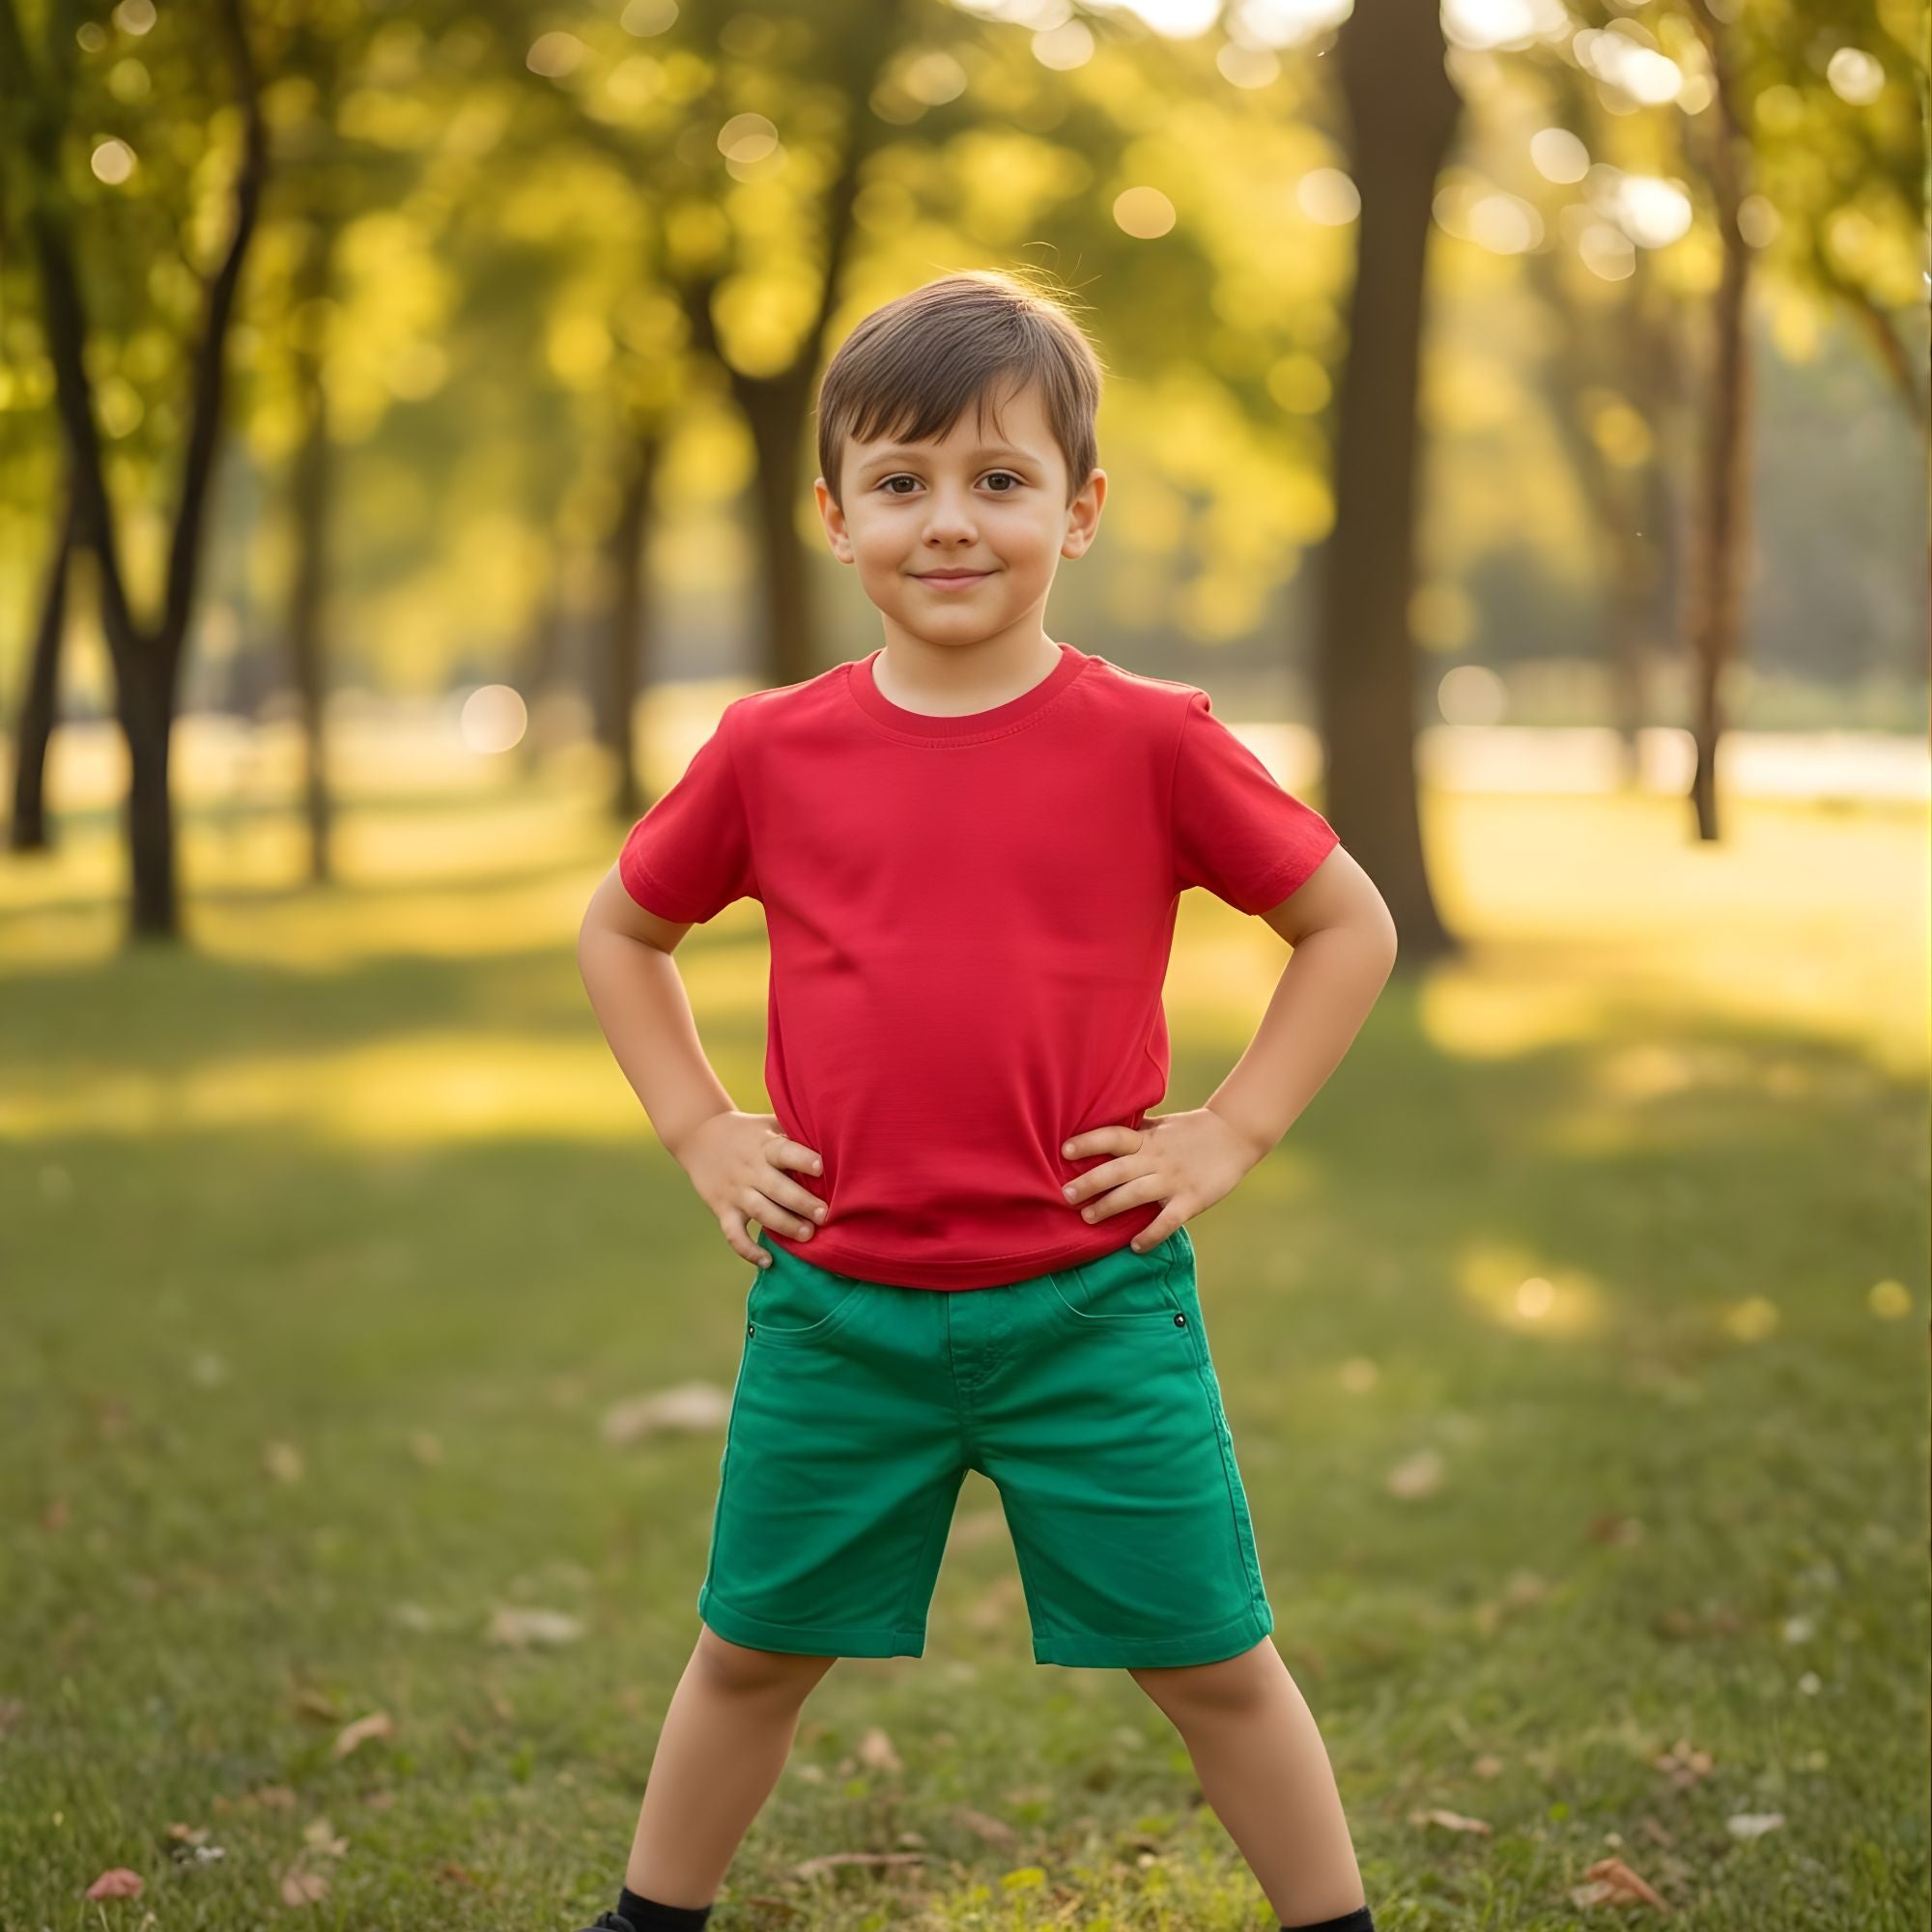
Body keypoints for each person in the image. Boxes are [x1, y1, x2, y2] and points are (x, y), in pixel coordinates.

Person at [575, 270, 1399, 1932]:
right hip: (837, 1315)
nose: (949, 521)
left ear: (1077, 510)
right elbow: (621, 929)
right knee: (747, 1654)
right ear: (836, 517)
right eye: (902, 481)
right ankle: (649, 1923)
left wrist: (1232, 1128)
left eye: (999, 479)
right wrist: (699, 1125)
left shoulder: (1154, 741)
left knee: (1215, 1662)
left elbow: (1347, 925)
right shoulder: (769, 751)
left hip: (1093, 1310)